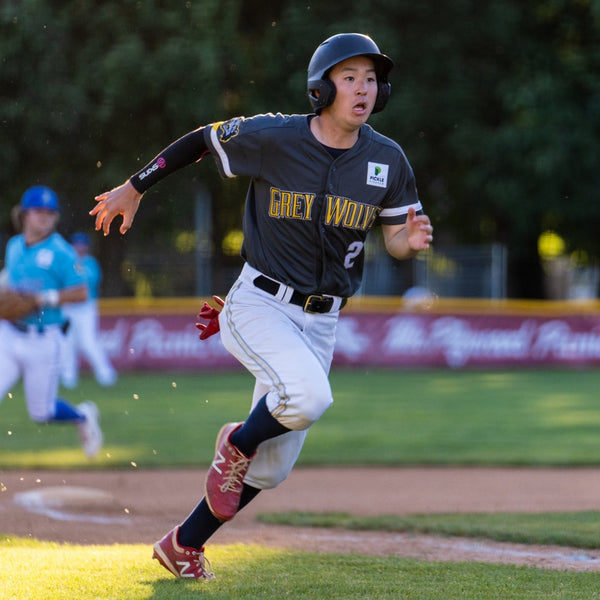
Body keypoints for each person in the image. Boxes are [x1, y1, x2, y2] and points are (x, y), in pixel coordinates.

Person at [91, 33, 433, 580]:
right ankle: (238, 439)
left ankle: (182, 543)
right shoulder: (276, 135)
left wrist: (408, 241)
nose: (363, 88)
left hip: (322, 320)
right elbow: (204, 139)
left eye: (371, 78)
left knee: (271, 469)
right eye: (349, 78)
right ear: (321, 88)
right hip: (259, 303)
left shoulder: (387, 159)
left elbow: (393, 238)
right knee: (309, 397)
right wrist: (136, 186)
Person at [0, 186, 103, 458]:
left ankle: (82, 415)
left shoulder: (62, 252)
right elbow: (10, 282)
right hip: (9, 336)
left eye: (49, 212)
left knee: (42, 412)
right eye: (38, 211)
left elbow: (81, 292)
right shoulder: (14, 246)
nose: (43, 217)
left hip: (45, 339)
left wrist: (42, 298)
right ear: (24, 215)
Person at [61, 232, 118, 389]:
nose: (79, 247)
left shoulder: (90, 263)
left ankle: (106, 374)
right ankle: (68, 377)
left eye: (82, 244)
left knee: (87, 342)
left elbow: (87, 283)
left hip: (86, 307)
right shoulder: (66, 262)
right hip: (67, 307)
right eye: (76, 244)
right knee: (67, 342)